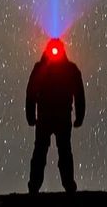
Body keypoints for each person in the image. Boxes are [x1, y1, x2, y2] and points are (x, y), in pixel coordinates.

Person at [26, 37, 85, 194]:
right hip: (49, 117)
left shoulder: (69, 70)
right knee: (43, 152)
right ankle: (35, 186)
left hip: (57, 117)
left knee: (61, 151)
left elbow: (79, 94)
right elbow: (31, 92)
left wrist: (80, 116)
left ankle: (67, 185)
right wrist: (30, 115)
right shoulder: (66, 69)